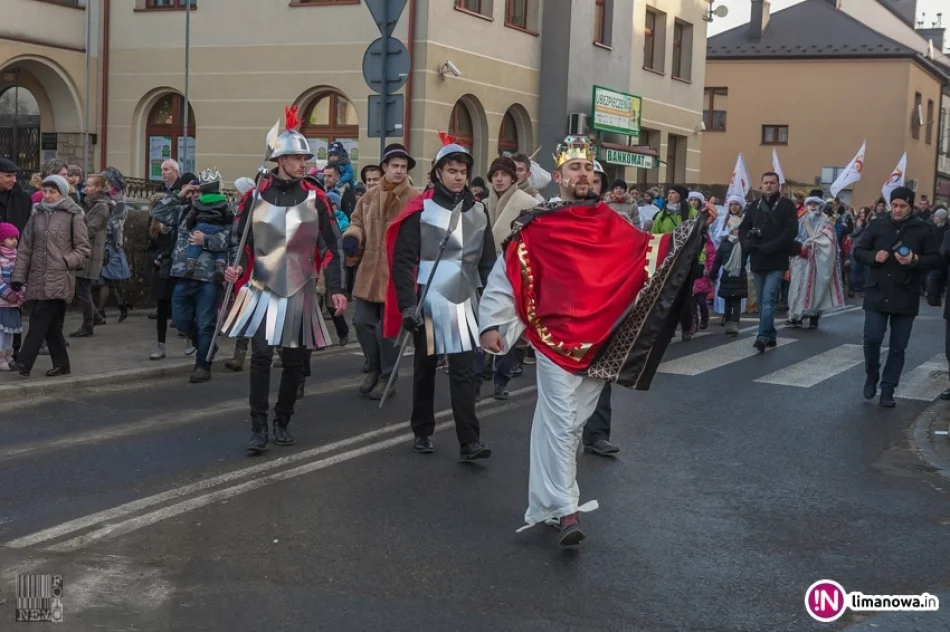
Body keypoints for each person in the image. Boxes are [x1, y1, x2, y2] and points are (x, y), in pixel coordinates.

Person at [478, 135, 709, 546]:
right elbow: (507, 275)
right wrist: (493, 324)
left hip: (600, 339)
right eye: (575, 168)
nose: (583, 174)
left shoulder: (614, 226)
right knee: (564, 424)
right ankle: (567, 511)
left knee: (564, 425)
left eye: (590, 169)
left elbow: (652, 255)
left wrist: (695, 226)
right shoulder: (538, 224)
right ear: (560, 177)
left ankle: (548, 504)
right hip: (553, 340)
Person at [223, 104, 347, 453]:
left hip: (300, 288)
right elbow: (238, 241)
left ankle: (282, 419)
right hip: (261, 286)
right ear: (280, 159)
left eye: (304, 158)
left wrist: (337, 289)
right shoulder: (254, 197)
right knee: (260, 357)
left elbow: (333, 247)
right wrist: (231, 268)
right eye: (295, 158)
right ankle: (258, 425)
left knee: (294, 362)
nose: (302, 164)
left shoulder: (316, 197)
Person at [384, 131, 494, 460]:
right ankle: (422, 428)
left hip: (464, 298)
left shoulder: (478, 211)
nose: (458, 177)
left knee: (463, 371)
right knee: (425, 367)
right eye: (452, 171)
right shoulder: (421, 209)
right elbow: (403, 261)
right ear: (438, 173)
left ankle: (469, 442)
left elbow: (488, 261)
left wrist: (491, 302)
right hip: (428, 299)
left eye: (462, 172)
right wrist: (406, 304)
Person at [342, 143, 416, 399]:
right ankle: (374, 367)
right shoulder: (369, 196)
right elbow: (356, 221)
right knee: (361, 322)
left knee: (389, 330)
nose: (399, 171)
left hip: (397, 274)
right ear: (385, 167)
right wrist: (353, 236)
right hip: (369, 271)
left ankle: (388, 376)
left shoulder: (414, 198)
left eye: (403, 167)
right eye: (394, 166)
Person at [856, 186, 939, 407]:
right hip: (877, 291)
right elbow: (858, 251)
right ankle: (872, 374)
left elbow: (936, 260)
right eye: (894, 205)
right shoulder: (878, 224)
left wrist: (914, 260)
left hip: (906, 293)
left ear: (910, 206)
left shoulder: (923, 229)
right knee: (872, 338)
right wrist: (874, 256)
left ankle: (888, 389)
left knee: (898, 347)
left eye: (902, 206)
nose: (897, 210)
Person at [153, 170, 234, 383]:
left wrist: (205, 240)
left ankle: (202, 365)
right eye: (194, 191)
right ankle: (205, 346)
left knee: (206, 322)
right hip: (184, 274)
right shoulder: (182, 212)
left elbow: (230, 241)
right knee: (180, 320)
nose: (197, 194)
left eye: (200, 190)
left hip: (209, 276)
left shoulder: (222, 212)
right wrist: (180, 194)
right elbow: (159, 213)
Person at [9, 175, 90, 377]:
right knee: (51, 325)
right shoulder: (36, 214)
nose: (47, 196)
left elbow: (83, 250)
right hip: (37, 277)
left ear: (62, 192)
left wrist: (64, 261)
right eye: (45, 191)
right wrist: (18, 277)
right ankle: (63, 365)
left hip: (59, 278)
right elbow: (25, 247)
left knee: (39, 318)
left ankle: (24, 362)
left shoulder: (74, 215)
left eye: (52, 192)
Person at [484, 155, 538, 399]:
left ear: (513, 178)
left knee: (509, 324)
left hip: (515, 268)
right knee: (485, 323)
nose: (499, 178)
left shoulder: (528, 202)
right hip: (485, 267)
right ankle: (479, 376)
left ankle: (501, 379)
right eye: (495, 174)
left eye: (504, 174)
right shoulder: (483, 204)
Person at [738, 172, 800, 353]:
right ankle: (771, 335)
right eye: (765, 182)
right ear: (761, 185)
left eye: (772, 182)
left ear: (778, 186)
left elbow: (791, 231)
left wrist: (771, 246)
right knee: (761, 300)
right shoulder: (754, 206)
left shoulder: (787, 205)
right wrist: (746, 243)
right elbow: (743, 228)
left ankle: (762, 336)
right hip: (757, 258)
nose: (769, 185)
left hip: (776, 259)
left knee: (768, 299)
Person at [786, 194, 845, 329]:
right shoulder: (801, 220)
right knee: (798, 287)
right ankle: (795, 316)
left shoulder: (826, 222)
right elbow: (795, 236)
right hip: (801, 259)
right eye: (810, 204)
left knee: (817, 288)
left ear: (820, 206)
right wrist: (799, 247)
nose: (813, 206)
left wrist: (816, 245)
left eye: (815, 204)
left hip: (819, 260)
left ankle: (814, 317)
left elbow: (830, 241)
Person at [69, 173, 112, 338]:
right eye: (86, 185)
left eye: (90, 185)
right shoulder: (91, 203)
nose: (86, 188)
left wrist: (74, 236)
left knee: (82, 289)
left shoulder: (100, 206)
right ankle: (95, 317)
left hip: (90, 253)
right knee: (81, 288)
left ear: (99, 188)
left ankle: (89, 324)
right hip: (86, 250)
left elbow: (90, 229)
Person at [96, 167, 133, 323]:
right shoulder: (105, 197)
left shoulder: (117, 200)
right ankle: (121, 305)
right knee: (109, 281)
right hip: (105, 245)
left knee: (106, 280)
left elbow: (115, 225)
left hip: (110, 245)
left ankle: (99, 312)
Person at [182, 169, 233, 284]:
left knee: (194, 242)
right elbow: (229, 216)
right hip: (217, 228)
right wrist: (226, 219)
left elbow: (192, 216)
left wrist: (189, 225)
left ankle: (191, 263)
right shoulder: (223, 202)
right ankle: (220, 265)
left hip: (201, 226)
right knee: (220, 250)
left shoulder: (199, 202)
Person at [0, 222, 24, 370]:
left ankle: (7, 357)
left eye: (16, 238)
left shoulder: (18, 258)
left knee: (10, 331)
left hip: (14, 302)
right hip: (2, 301)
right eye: (10, 238)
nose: (15, 241)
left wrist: (22, 292)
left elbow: (22, 276)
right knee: (1, 331)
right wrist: (8, 293)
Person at [0, 158, 32, 234]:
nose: (14, 180)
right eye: (8, 176)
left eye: (15, 175)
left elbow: (29, 227)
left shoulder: (24, 198)